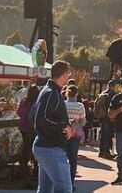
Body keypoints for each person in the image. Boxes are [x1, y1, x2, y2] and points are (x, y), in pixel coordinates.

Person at [32, 60, 77, 193]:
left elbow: (46, 117)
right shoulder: (51, 93)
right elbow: (42, 119)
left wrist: (67, 126)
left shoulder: (50, 91)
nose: (69, 77)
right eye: (68, 73)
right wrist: (63, 126)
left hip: (46, 147)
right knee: (65, 188)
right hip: (50, 148)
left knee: (45, 189)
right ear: (63, 74)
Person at [64, 85, 86, 190]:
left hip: (64, 134)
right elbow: (83, 122)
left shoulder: (63, 104)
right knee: (73, 160)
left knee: (62, 159)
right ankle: (71, 183)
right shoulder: (80, 106)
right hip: (75, 134)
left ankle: (62, 182)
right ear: (77, 94)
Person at [18, 84, 41, 175]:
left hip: (22, 127)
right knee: (33, 148)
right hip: (32, 128)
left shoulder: (23, 101)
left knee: (25, 147)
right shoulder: (37, 104)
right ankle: (35, 168)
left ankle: (24, 167)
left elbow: (19, 112)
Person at [93, 80, 116, 159]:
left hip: (102, 117)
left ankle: (101, 151)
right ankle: (106, 152)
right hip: (109, 118)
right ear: (113, 86)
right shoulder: (113, 95)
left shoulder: (102, 94)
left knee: (103, 134)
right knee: (108, 135)